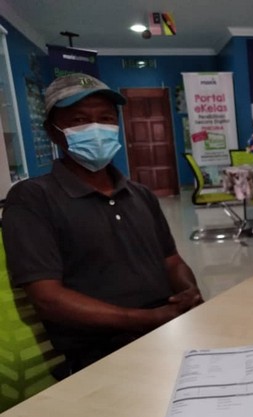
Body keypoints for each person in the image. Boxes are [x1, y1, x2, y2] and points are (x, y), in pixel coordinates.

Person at [1, 73, 203, 378]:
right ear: (53, 132)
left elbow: (172, 261)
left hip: (171, 335)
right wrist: (145, 320)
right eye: (79, 120)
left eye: (106, 119)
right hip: (102, 356)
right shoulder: (33, 199)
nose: (96, 128)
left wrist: (189, 291)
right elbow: (47, 298)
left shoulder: (141, 194)